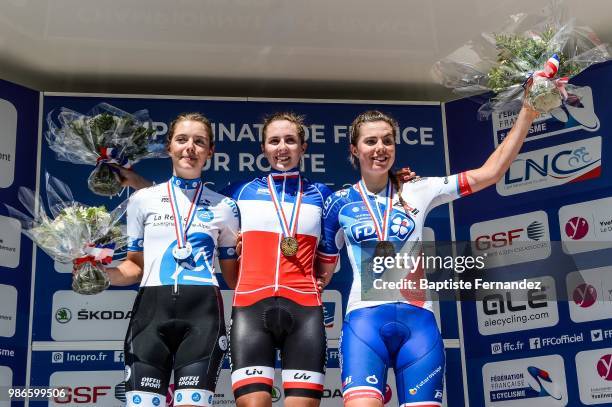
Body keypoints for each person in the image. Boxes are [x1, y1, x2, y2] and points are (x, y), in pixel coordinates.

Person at [316, 106, 538, 407]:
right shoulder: (337, 204)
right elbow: (320, 273)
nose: (380, 148)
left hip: (419, 325)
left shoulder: (419, 189)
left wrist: (527, 112)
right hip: (364, 324)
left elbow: (490, 173)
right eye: (370, 142)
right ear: (354, 149)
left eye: (387, 140)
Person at [104, 113, 240, 407]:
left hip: (202, 316)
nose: (190, 147)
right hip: (150, 315)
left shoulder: (225, 207)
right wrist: (101, 275)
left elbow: (234, 279)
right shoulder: (143, 199)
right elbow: (134, 267)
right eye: (182, 139)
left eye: (199, 141)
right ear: (169, 148)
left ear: (209, 151)